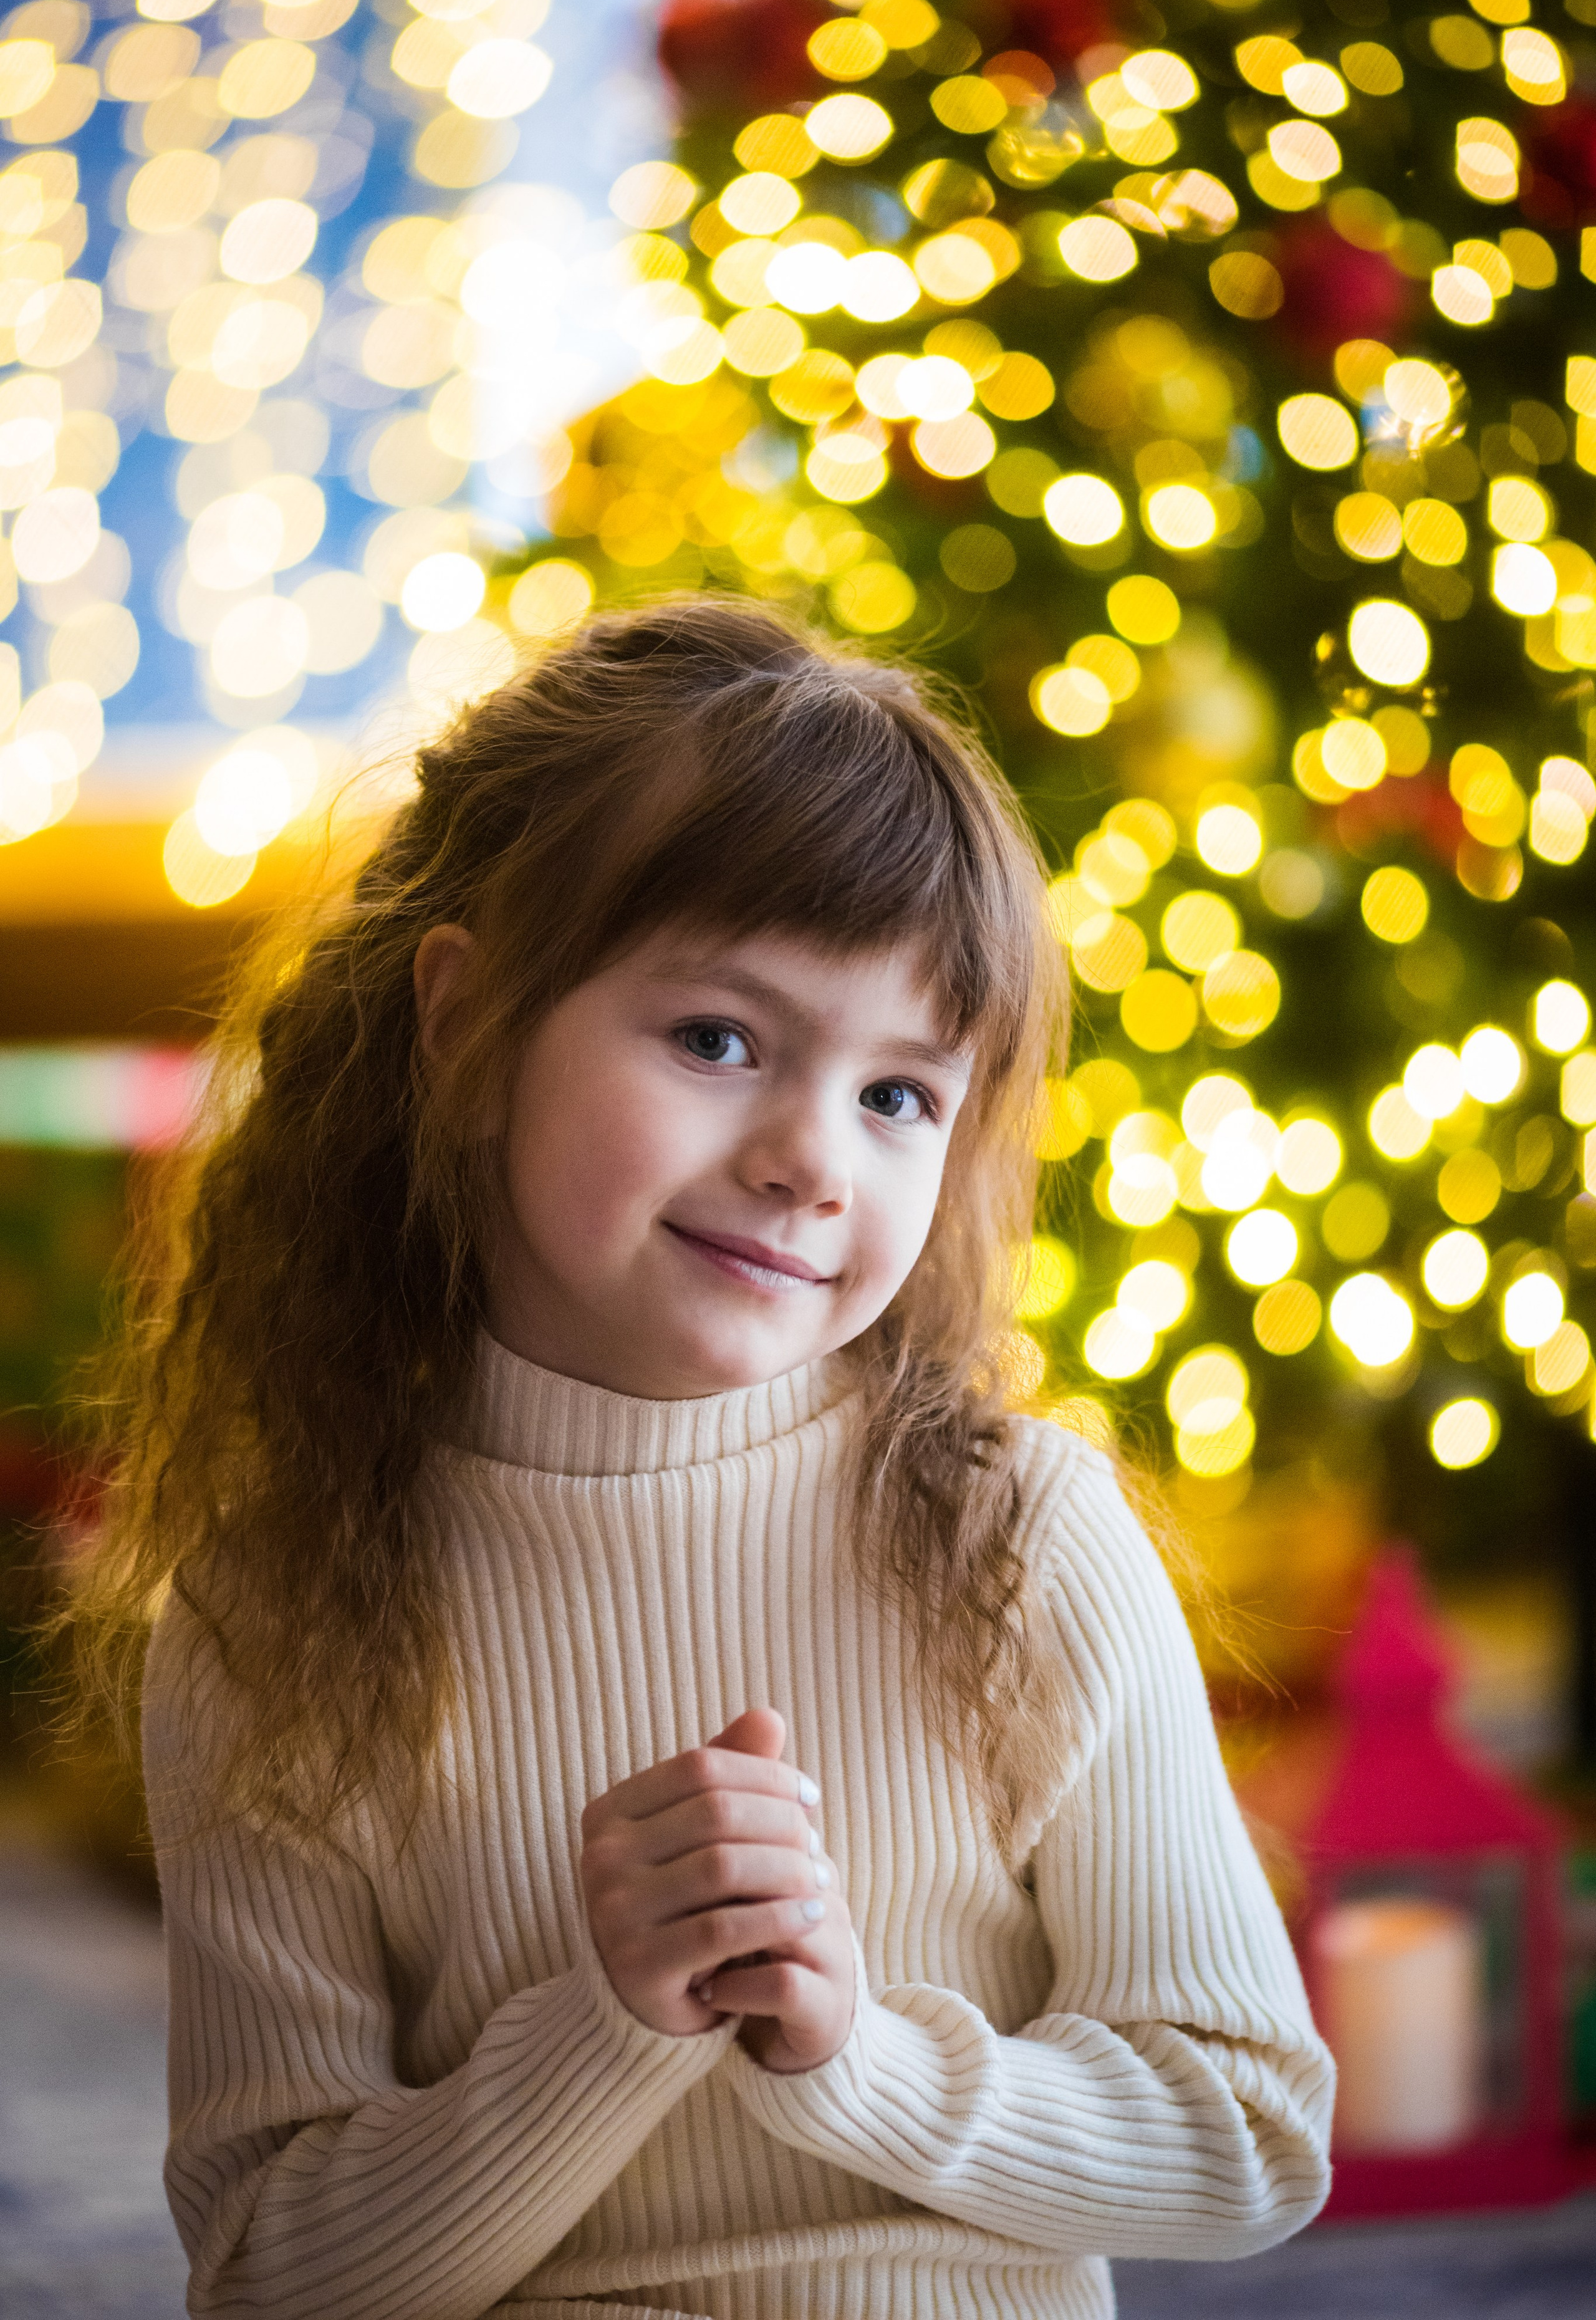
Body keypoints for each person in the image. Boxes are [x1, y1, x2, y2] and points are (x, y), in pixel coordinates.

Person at [71, 600, 1333, 2320]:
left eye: (900, 1094)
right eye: (719, 1040)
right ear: (467, 1023)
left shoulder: (1022, 1542)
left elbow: (1245, 2137)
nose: (814, 1160)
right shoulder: (270, 1618)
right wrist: (607, 2025)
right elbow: (275, 2273)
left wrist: (857, 2054)